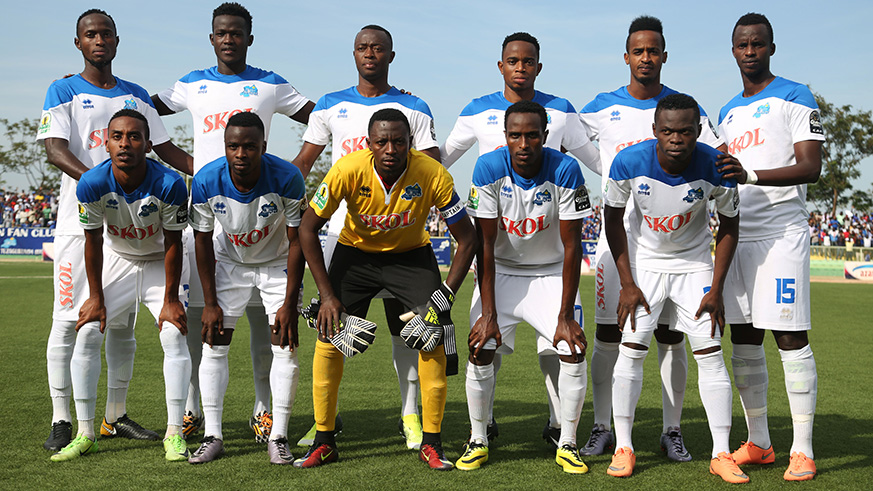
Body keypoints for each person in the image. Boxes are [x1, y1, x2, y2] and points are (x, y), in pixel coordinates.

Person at [151, 2, 314, 443]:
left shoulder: (270, 83)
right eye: (221, 32)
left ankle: (264, 410)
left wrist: (295, 166)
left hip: (262, 215)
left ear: (249, 38)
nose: (229, 39)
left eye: (236, 32)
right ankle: (192, 409)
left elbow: (321, 118)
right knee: (201, 318)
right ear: (211, 38)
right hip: (210, 213)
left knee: (266, 324)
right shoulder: (192, 83)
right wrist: (188, 165)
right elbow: (144, 112)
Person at [37, 8, 192, 452]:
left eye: (106, 33)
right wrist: (105, 184)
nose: (99, 40)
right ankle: (63, 419)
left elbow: (165, 149)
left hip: (133, 226)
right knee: (71, 320)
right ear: (78, 43)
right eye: (90, 34)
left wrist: (210, 175)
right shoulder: (63, 89)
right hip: (80, 223)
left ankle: (114, 416)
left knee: (122, 326)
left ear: (117, 41)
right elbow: (54, 149)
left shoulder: (137, 95)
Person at [440, 32, 600, 448]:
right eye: (513, 61)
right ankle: (482, 431)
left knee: (562, 348)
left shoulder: (562, 114)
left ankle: (561, 432)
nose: (520, 67)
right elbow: (441, 158)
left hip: (550, 262)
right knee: (483, 344)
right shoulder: (478, 117)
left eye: (528, 61)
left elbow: (597, 160)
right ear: (501, 66)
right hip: (503, 261)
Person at [295, 108, 477, 470]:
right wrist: (327, 296)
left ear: (411, 143)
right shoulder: (347, 169)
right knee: (328, 334)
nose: (390, 149)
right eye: (382, 142)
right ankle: (324, 440)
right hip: (355, 256)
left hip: (411, 258)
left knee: (433, 335)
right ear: (369, 144)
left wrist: (446, 296)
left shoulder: (432, 173)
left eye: (399, 141)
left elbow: (468, 238)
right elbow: (306, 228)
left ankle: (433, 443)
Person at [578, 15, 725, 459]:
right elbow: (563, 140)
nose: (646, 57)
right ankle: (603, 426)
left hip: (677, 244)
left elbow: (717, 157)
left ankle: (671, 429)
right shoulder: (601, 106)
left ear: (664, 56)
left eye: (653, 51)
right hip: (620, 243)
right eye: (638, 51)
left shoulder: (686, 109)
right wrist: (604, 171)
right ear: (626, 57)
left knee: (672, 338)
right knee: (610, 336)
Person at [290, 24, 441, 450]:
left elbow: (432, 166)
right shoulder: (330, 104)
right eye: (362, 47)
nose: (369, 53)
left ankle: (410, 415)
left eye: (377, 48)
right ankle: (326, 420)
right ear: (353, 54)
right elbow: (305, 161)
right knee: (334, 329)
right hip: (344, 236)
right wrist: (278, 188)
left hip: (400, 235)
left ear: (391, 55)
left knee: (407, 331)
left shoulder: (414, 106)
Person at [603, 93, 747, 483]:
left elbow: (730, 226)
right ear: (655, 130)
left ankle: (720, 453)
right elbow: (613, 220)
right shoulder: (628, 162)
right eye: (667, 131)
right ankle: (624, 447)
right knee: (631, 350)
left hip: (694, 264)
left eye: (685, 131)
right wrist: (627, 282)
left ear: (698, 131)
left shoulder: (716, 166)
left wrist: (716, 288)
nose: (676, 139)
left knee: (711, 353)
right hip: (645, 264)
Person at [717, 13, 824, 482]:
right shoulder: (727, 112)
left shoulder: (796, 95)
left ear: (771, 48)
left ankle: (803, 449)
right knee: (743, 338)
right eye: (742, 45)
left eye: (757, 44)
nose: (750, 51)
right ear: (733, 51)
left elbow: (811, 167)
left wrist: (752, 175)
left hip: (781, 234)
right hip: (738, 236)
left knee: (789, 336)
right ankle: (759, 442)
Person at [457, 101, 591, 473]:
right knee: (479, 347)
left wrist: (565, 316)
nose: (523, 143)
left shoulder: (565, 169)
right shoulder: (488, 167)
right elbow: (484, 245)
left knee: (572, 348)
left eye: (532, 135)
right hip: (501, 271)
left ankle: (568, 443)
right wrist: (487, 313)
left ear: (545, 136)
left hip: (550, 273)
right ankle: (478, 438)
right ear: (505, 136)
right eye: (515, 135)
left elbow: (572, 246)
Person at [52, 110, 191, 462]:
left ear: (148, 144)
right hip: (119, 259)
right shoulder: (91, 183)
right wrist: (95, 297)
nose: (125, 143)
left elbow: (174, 242)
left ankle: (174, 433)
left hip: (160, 262)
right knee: (87, 332)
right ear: (106, 143)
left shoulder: (170, 183)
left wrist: (171, 299)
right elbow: (93, 241)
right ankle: (85, 433)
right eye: (117, 136)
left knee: (173, 333)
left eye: (134, 136)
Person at [186, 112, 305, 464]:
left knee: (285, 348)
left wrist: (289, 303)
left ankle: (278, 436)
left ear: (263, 147)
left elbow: (297, 241)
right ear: (225, 147)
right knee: (214, 345)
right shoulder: (206, 180)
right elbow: (202, 241)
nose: (241, 154)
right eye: (233, 146)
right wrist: (210, 302)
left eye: (250, 146)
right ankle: (213, 436)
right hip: (231, 263)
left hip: (276, 264)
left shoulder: (287, 177)